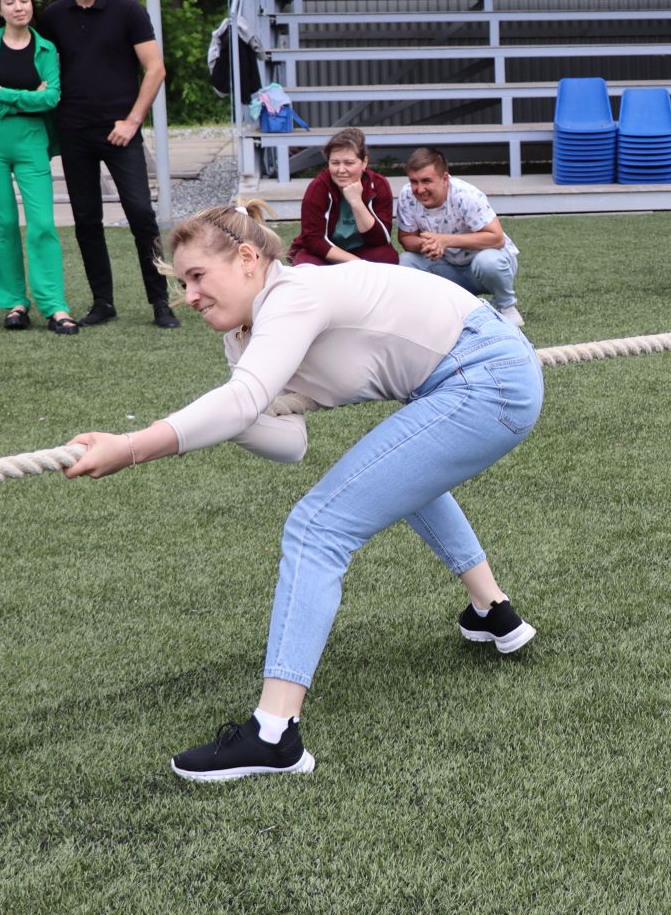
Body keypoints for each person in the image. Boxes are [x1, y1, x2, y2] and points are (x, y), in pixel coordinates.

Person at [64, 201, 543, 781]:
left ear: (247, 259)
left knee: (317, 527)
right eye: (182, 281)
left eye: (196, 277)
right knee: (390, 473)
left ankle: (274, 735)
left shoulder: (293, 295)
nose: (188, 296)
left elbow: (242, 403)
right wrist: (236, 416)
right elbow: (287, 441)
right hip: (468, 380)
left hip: (485, 376)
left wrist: (133, 446)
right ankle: (495, 614)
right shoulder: (245, 338)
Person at [35, 0, 179, 330]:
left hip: (120, 131)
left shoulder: (129, 11)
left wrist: (132, 121)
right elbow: (28, 65)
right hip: (73, 131)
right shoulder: (52, 17)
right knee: (86, 218)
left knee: (140, 214)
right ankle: (103, 303)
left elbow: (156, 69)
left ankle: (161, 303)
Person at [0, 0, 75, 334]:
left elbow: (51, 97)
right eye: (10, 2)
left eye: (24, 0)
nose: (18, 7)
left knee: (42, 225)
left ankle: (55, 306)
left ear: (32, 4)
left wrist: (5, 95)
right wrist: (25, 100)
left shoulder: (45, 49)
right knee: (1, 225)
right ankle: (14, 303)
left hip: (31, 142)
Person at [393, 148, 524, 327]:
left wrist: (445, 241)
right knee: (406, 261)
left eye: (426, 181)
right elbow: (406, 238)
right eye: (414, 181)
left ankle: (506, 307)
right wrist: (430, 244)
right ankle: (427, 312)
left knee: (489, 262)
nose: (419, 189)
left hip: (482, 266)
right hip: (446, 267)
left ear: (444, 178)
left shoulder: (466, 195)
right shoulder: (407, 195)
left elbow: (496, 238)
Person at [286, 127, 399, 268]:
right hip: (327, 253)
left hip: (363, 249)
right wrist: (356, 263)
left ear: (364, 162)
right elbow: (314, 240)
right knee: (306, 265)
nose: (341, 170)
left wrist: (357, 202)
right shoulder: (318, 187)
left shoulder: (378, 184)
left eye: (348, 163)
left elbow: (382, 239)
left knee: (387, 258)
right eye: (335, 163)